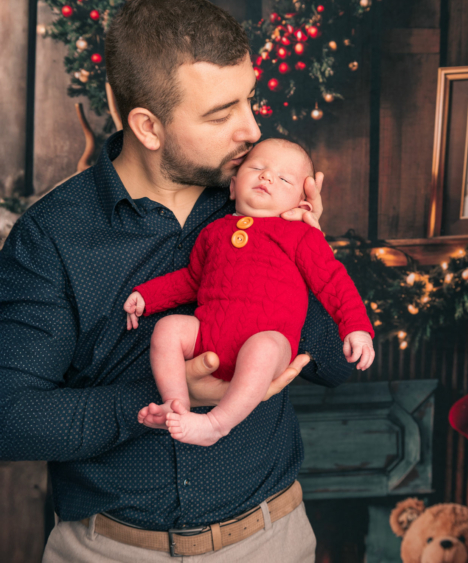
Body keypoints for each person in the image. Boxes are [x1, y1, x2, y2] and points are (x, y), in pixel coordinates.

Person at [0, 0, 355, 562]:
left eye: (249, 99)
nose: (251, 128)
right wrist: (166, 396)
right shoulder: (53, 235)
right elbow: (9, 417)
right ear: (148, 126)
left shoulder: (263, 194)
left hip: (268, 539)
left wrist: (303, 250)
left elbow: (339, 366)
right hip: (109, 549)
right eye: (222, 113)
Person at [124, 138, 375, 447]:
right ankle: (176, 404)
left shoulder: (301, 235)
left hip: (267, 345)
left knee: (265, 347)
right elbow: (192, 279)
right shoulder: (214, 231)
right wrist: (148, 297)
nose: (267, 176)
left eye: (283, 179)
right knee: (168, 329)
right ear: (232, 187)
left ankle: (216, 423)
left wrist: (357, 328)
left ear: (303, 204)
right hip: (209, 337)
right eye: (257, 168)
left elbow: (332, 281)